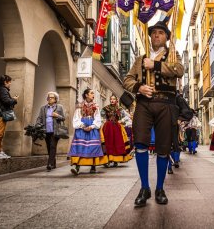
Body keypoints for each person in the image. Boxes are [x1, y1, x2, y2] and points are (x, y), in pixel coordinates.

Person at [123, 19, 184, 207]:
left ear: (166, 37)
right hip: (144, 105)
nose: (156, 35)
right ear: (150, 37)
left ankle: (159, 188)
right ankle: (144, 187)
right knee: (140, 142)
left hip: (166, 104)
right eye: (154, 32)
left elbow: (180, 71)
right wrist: (139, 87)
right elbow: (127, 80)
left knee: (163, 147)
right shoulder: (140, 59)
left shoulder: (173, 55)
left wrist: (155, 66)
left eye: (161, 32)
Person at [68, 88, 108, 174]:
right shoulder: (80, 106)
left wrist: (93, 126)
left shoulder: (95, 106)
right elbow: (76, 117)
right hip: (82, 128)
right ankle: (76, 167)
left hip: (92, 128)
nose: (93, 95)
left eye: (93, 93)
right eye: (91, 93)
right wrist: (82, 126)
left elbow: (98, 118)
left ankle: (93, 166)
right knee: (80, 146)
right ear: (86, 95)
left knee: (93, 146)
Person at [36, 92, 66, 171]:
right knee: (49, 147)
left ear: (55, 99)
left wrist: (57, 116)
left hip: (55, 131)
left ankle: (49, 164)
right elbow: (39, 118)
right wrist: (37, 125)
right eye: (49, 97)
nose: (50, 98)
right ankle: (53, 163)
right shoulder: (43, 108)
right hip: (46, 130)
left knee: (53, 146)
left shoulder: (59, 107)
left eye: (52, 97)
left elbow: (63, 118)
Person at [0, 75, 18, 159]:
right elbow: (6, 101)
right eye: (9, 82)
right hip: (0, 114)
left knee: (1, 133)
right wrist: (14, 99)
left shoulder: (1, 89)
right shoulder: (2, 90)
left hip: (0, 114)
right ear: (5, 82)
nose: (10, 83)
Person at [101, 95, 133, 167]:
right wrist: (103, 122)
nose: (112, 100)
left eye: (114, 99)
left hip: (116, 127)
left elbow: (127, 117)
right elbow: (101, 116)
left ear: (116, 100)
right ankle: (107, 160)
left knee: (117, 143)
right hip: (108, 127)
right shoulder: (106, 108)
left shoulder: (120, 108)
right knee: (108, 143)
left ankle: (116, 160)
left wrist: (122, 120)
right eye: (111, 99)